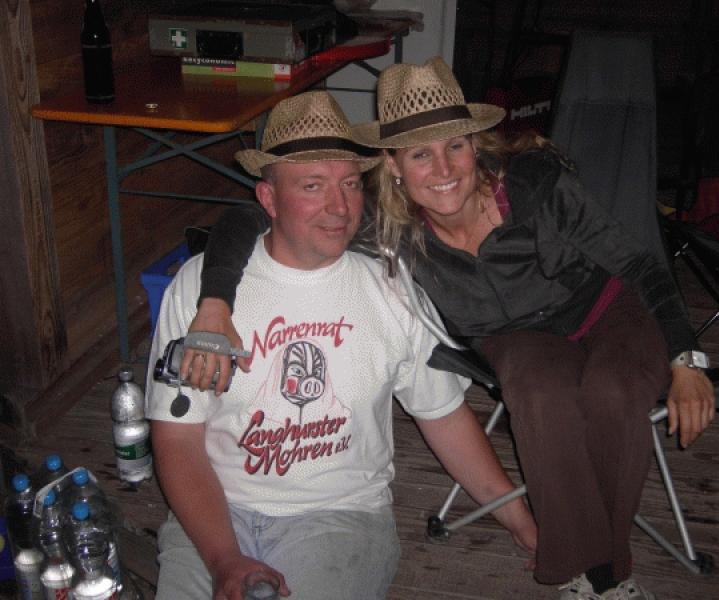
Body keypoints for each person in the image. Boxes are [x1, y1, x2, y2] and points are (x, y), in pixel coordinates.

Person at [187, 59, 715, 600]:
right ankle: (593, 574)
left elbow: (640, 264)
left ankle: (607, 569)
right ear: (393, 164)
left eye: (455, 146)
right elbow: (249, 218)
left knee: (612, 393)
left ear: (475, 145)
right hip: (518, 338)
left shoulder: (535, 184)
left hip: (607, 309)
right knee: (541, 395)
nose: (443, 168)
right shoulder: (385, 223)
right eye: (420, 154)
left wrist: (686, 358)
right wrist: (215, 303)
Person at [145, 90, 537, 600]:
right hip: (214, 510)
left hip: (340, 518)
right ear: (269, 199)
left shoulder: (391, 287)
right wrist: (224, 558)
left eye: (350, 184)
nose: (339, 206)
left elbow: (443, 414)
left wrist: (519, 518)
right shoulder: (203, 292)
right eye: (313, 186)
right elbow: (177, 438)